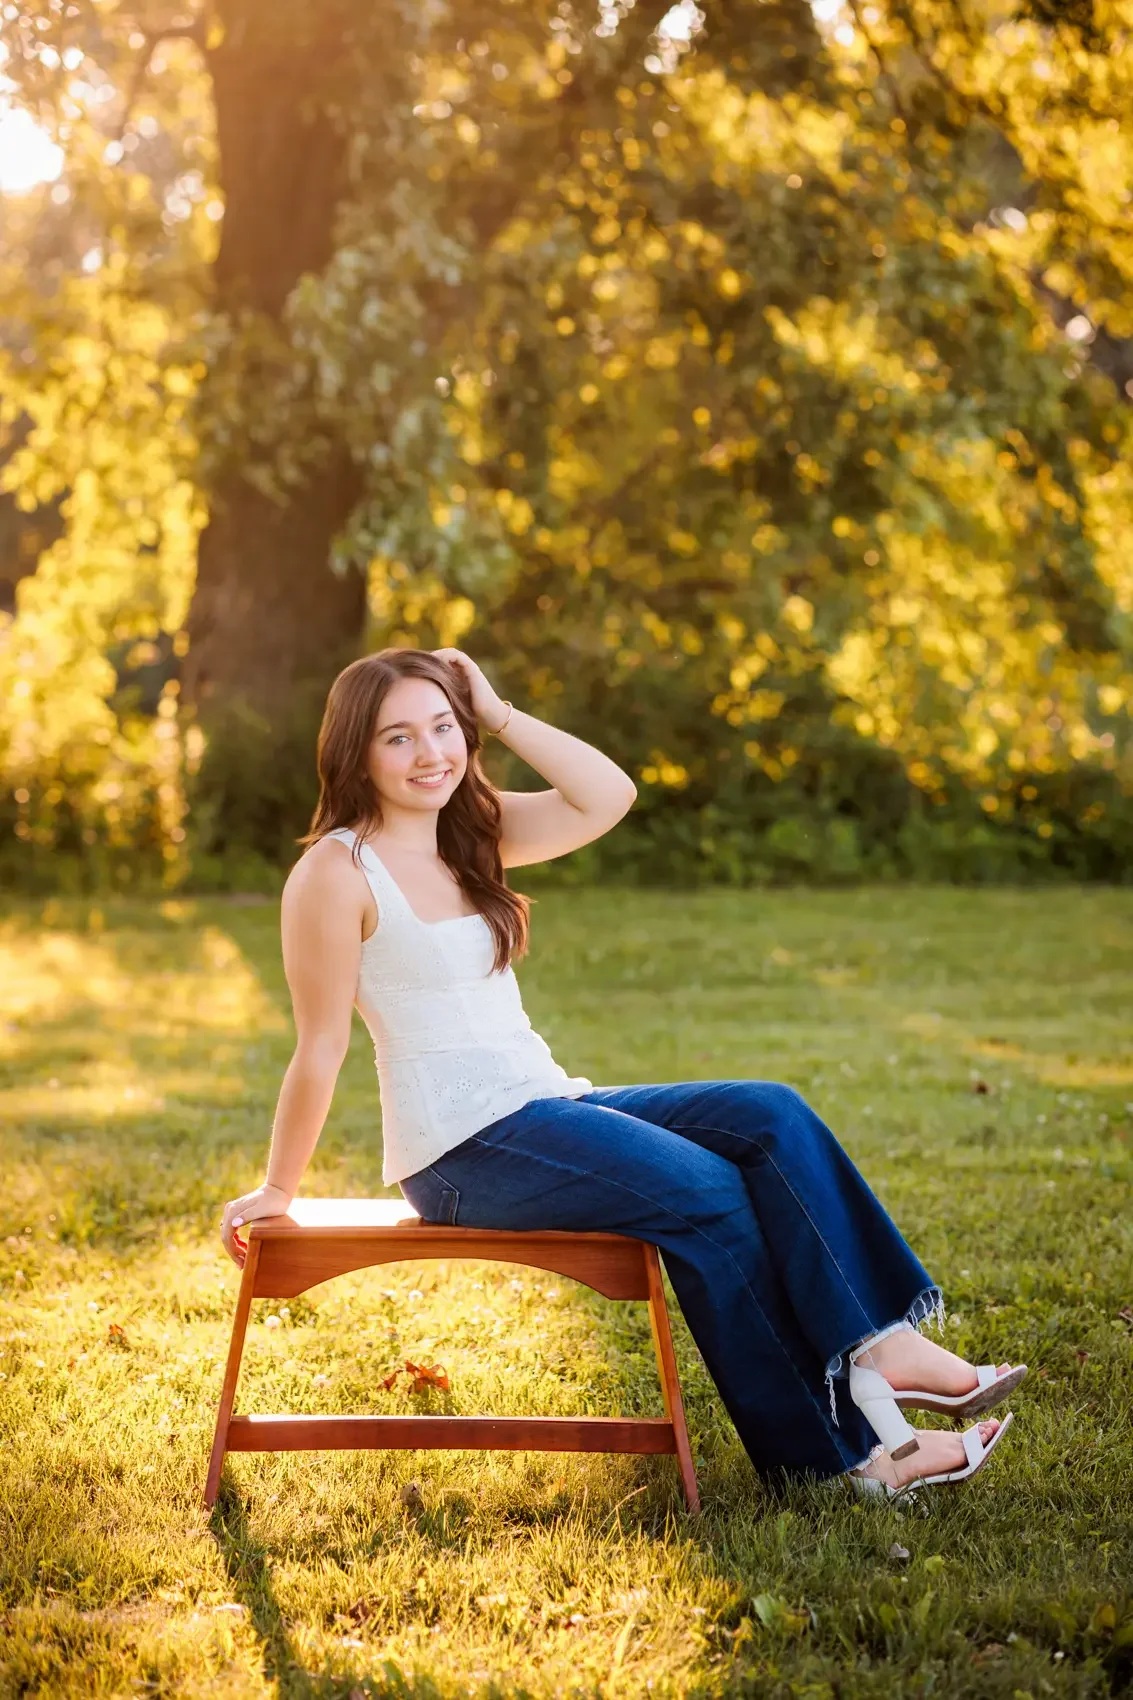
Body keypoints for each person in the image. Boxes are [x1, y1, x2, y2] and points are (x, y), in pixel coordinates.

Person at [220, 646, 1025, 1500]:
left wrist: (496, 710)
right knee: (712, 1194)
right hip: (460, 1151)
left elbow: (608, 795)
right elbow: (320, 1045)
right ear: (354, 753)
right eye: (398, 738)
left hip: (543, 1103)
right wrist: (279, 1186)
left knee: (770, 1116)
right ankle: (840, 1462)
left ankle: (877, 1351)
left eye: (444, 728)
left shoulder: (473, 834)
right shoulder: (334, 872)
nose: (431, 755)